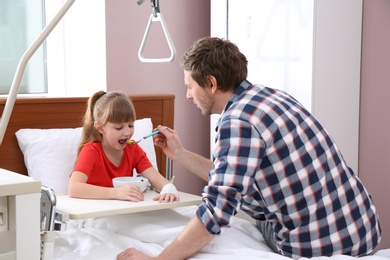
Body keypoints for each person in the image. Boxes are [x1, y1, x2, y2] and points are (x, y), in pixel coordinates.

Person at [117, 37, 381, 259]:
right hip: (362, 229)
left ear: (211, 83)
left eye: (190, 87)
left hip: (317, 246)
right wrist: (180, 155)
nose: (187, 95)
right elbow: (234, 176)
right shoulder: (270, 96)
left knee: (201, 234)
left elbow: (216, 212)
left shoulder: (237, 122)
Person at [68, 90, 179, 203]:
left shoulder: (133, 149)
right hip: (96, 213)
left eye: (130, 125)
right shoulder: (91, 151)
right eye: (119, 128)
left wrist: (168, 189)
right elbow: (74, 188)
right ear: (100, 128)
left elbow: (157, 180)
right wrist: (116, 193)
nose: (127, 132)